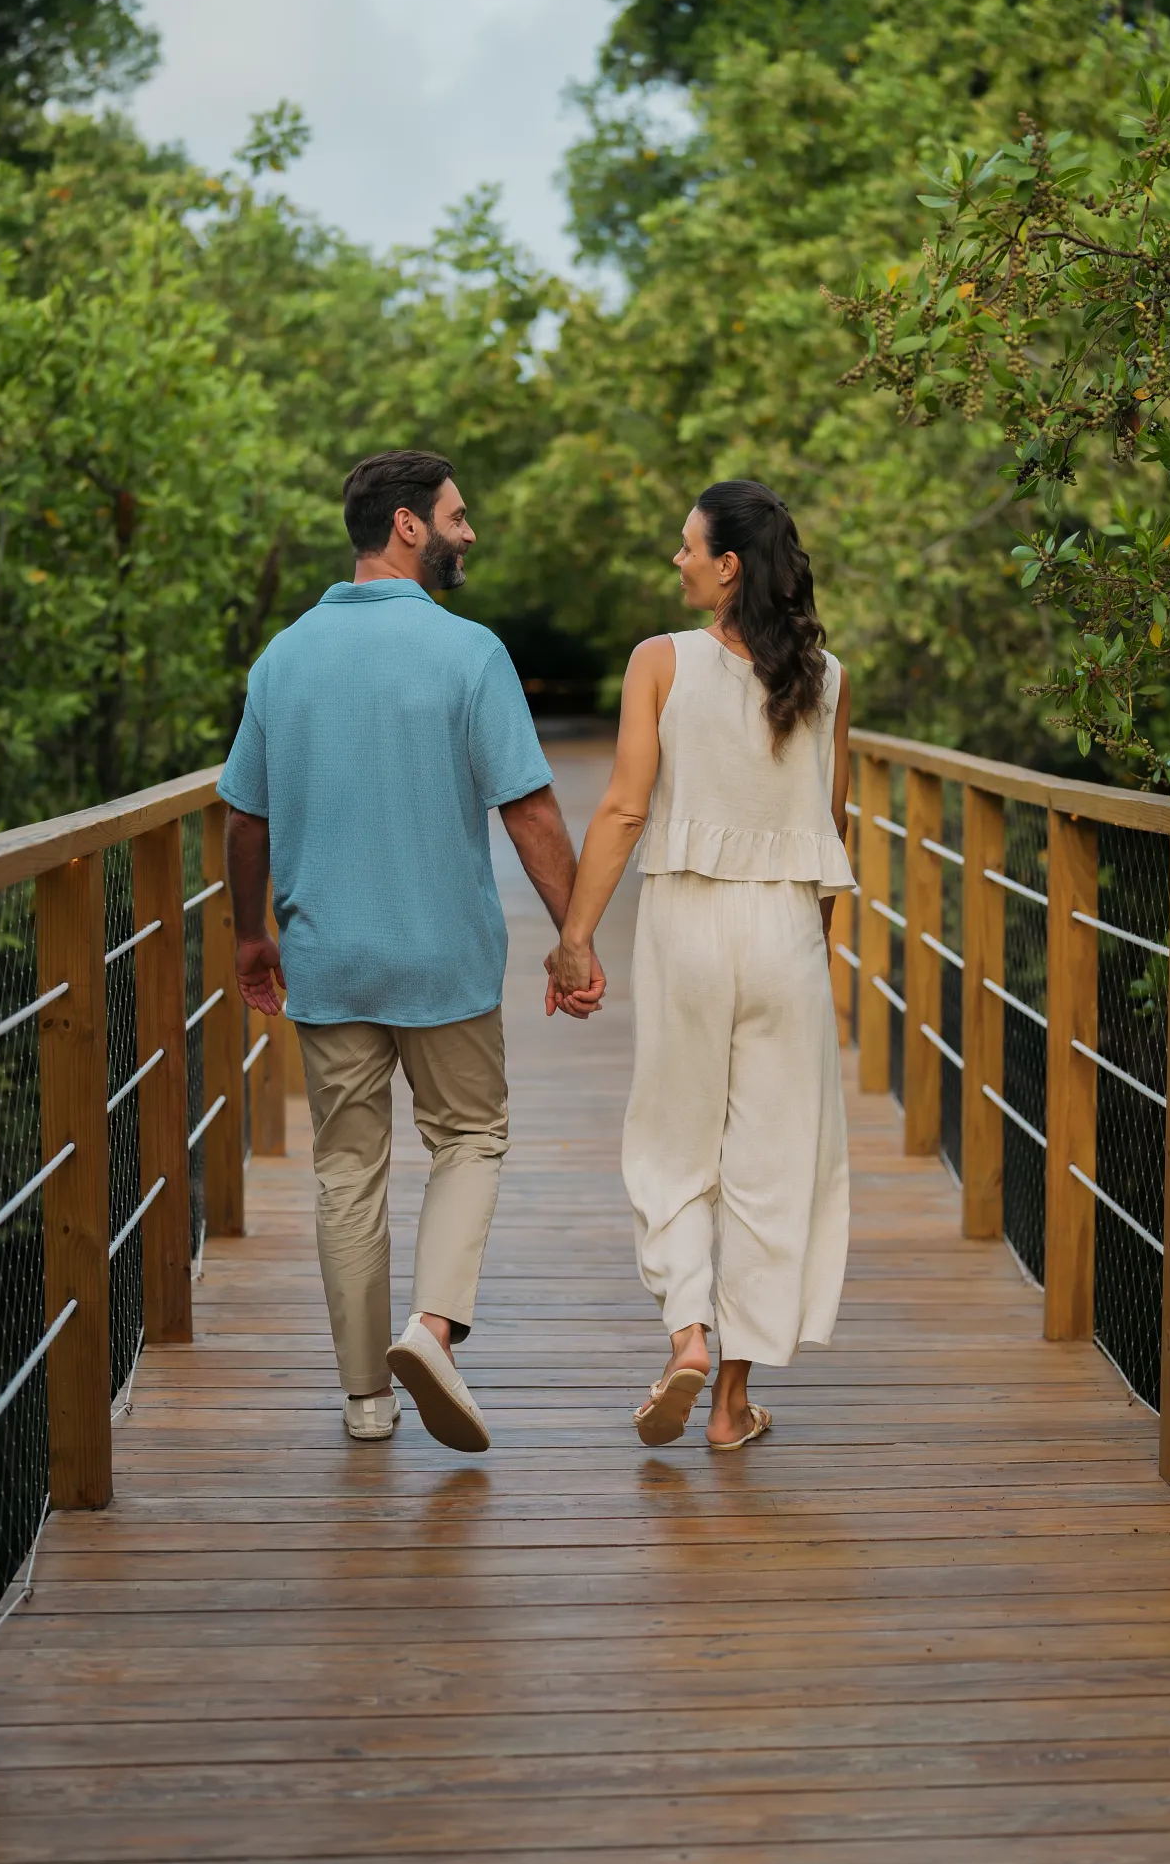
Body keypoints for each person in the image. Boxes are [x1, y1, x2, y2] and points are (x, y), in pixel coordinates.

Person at [219, 449, 603, 1453]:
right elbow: (527, 808)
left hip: (328, 957)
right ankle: (432, 1325)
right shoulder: (469, 652)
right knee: (469, 1135)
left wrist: (248, 931)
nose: (469, 532)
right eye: (458, 515)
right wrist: (572, 939)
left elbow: (245, 816)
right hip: (444, 959)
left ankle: (364, 1401)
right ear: (407, 525)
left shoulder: (283, 656)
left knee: (347, 1170)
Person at [547, 479, 851, 1451]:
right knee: (772, 1161)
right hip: (788, 933)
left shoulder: (661, 662)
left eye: (687, 547)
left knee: (674, 1140)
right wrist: (815, 951)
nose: (675, 560)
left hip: (687, 923)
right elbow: (829, 829)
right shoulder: (827, 675)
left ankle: (687, 1333)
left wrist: (575, 936)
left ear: (728, 565)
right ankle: (730, 1403)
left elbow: (626, 809)